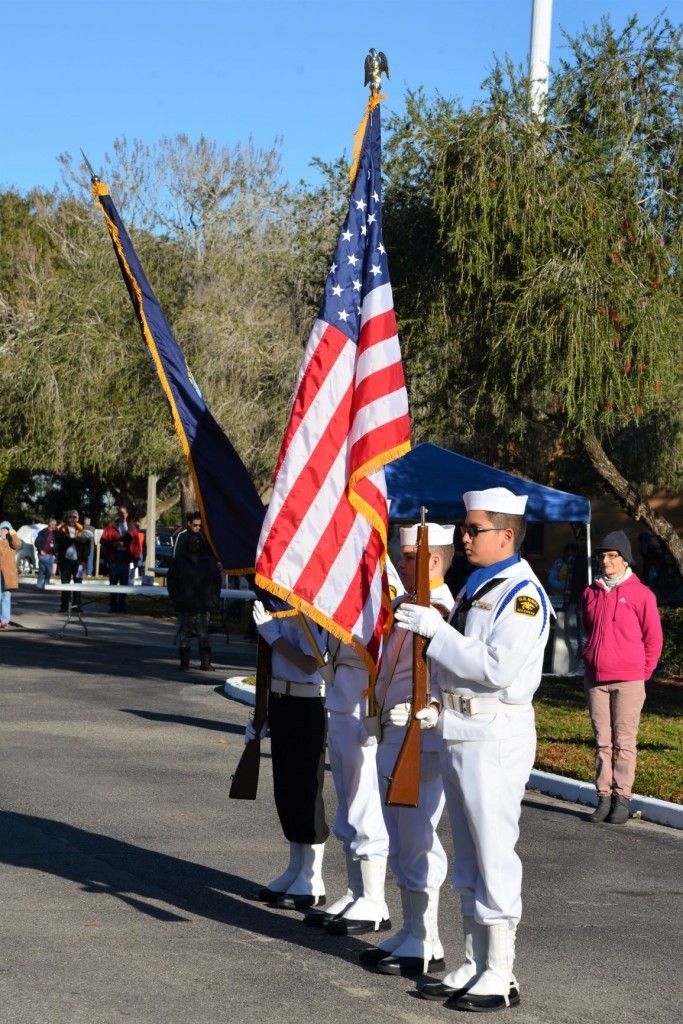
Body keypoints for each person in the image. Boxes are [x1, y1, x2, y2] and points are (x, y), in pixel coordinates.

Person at [394, 487, 551, 1013]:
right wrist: (438, 704)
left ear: (506, 535)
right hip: (462, 730)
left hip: (495, 735)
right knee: (468, 856)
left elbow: (496, 668)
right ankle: (474, 960)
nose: (464, 537)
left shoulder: (522, 595)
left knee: (493, 854)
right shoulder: (479, 584)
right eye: (464, 529)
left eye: (473, 529)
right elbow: (460, 666)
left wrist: (436, 632)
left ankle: (501, 972)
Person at [362, 523, 455, 977]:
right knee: (399, 838)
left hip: (420, 734)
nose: (401, 563)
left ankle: (427, 940)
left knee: (418, 838)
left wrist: (431, 710)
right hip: (393, 731)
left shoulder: (442, 612)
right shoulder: (407, 607)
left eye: (410, 557)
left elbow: (447, 675)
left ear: (434, 561)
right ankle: (412, 928)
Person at [247, 602, 329, 909]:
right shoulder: (280, 607)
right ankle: (295, 868)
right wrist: (263, 713)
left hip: (308, 705)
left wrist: (273, 637)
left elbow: (311, 664)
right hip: (282, 701)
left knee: (307, 790)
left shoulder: (312, 608)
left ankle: (312, 877)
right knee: (286, 790)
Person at [581, 530, 663, 826]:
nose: (606, 561)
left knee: (624, 742)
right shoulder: (590, 592)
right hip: (595, 679)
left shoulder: (642, 595)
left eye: (612, 556)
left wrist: (642, 673)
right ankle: (603, 797)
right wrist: (588, 656)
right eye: (603, 556)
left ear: (625, 559)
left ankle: (622, 798)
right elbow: (587, 629)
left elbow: (654, 639)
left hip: (629, 680)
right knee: (602, 741)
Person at [166, 530, 222, 671]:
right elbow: (172, 582)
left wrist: (214, 599)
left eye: (197, 542)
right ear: (187, 544)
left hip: (204, 605)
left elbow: (216, 582)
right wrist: (176, 599)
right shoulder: (179, 561)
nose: (194, 544)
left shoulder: (209, 561)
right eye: (192, 542)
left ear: (202, 544)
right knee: (184, 635)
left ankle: (206, 663)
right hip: (185, 604)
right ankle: (184, 664)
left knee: (204, 635)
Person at [100, 506, 143, 613]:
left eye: (123, 513)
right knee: (113, 582)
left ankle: (122, 605)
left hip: (126, 558)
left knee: (124, 583)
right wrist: (113, 544)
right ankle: (113, 605)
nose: (121, 515)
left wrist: (136, 559)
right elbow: (103, 541)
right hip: (114, 557)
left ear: (127, 514)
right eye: (120, 513)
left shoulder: (132, 527)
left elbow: (136, 544)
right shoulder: (111, 526)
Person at [55, 510, 91, 612]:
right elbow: (61, 543)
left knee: (78, 584)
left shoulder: (82, 530)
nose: (72, 519)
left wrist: (84, 561)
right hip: (65, 561)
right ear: (67, 518)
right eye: (70, 517)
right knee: (65, 584)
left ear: (78, 519)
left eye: (74, 517)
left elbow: (87, 547)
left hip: (79, 561)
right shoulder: (62, 529)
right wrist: (75, 539)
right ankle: (64, 605)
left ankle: (77, 605)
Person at [0, 521, 21, 627]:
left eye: (6, 529)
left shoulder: (11, 541)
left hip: (7, 573)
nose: (4, 531)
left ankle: (4, 619)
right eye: (2, 529)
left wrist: (12, 532)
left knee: (5, 596)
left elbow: (17, 544)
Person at [35, 518, 59, 590]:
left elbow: (57, 543)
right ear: (51, 525)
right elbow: (37, 542)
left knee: (47, 571)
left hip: (51, 554)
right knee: (44, 570)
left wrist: (55, 551)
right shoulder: (43, 532)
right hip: (43, 554)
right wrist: (40, 550)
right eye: (55, 525)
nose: (55, 526)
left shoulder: (55, 533)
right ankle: (40, 585)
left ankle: (45, 585)